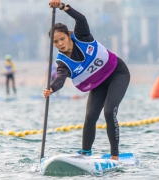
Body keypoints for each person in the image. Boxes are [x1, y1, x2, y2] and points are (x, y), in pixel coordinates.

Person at [43, 0, 130, 161]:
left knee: (109, 111)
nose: (60, 44)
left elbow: (81, 19)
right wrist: (51, 88)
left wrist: (62, 7)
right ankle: (86, 154)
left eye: (62, 39)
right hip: (99, 83)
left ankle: (115, 157)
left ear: (68, 35)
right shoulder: (63, 63)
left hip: (117, 73)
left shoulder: (82, 37)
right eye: (55, 42)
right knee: (90, 116)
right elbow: (60, 79)